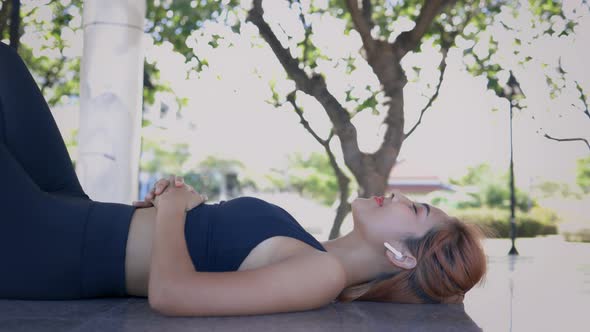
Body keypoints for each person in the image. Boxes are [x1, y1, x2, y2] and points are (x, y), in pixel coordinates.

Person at [0, 41, 487, 316]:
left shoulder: (322, 276)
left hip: (45, 247)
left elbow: (173, 295)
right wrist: (172, 209)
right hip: (70, 211)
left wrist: (172, 211)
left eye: (415, 209)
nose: (399, 195)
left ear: (401, 255)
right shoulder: (313, 251)